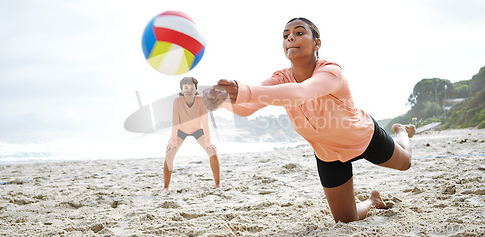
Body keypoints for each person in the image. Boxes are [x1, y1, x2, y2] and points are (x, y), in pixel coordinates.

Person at [203, 18, 416, 223]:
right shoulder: (280, 79)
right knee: (346, 219)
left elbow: (301, 92)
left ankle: (401, 131)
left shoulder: (331, 71)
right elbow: (247, 107)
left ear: (317, 43)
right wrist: (223, 102)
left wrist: (244, 90)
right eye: (286, 35)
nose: (290, 38)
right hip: (328, 153)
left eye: (299, 32)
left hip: (363, 137)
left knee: (405, 162)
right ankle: (372, 200)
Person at [162, 77, 220, 193]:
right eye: (186, 88)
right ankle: (165, 187)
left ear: (195, 89)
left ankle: (218, 185)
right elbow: (175, 121)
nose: (189, 90)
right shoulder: (177, 102)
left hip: (197, 130)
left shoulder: (202, 101)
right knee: (169, 153)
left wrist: (208, 141)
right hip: (180, 131)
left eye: (191, 88)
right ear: (182, 90)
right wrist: (173, 141)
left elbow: (205, 122)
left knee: (212, 151)